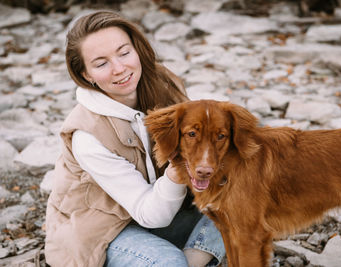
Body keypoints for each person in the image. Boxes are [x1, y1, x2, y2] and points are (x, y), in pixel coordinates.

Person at [44, 10, 225, 267]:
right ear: (86, 74)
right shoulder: (87, 134)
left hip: (163, 209)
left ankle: (192, 260)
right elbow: (150, 214)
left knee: (249, 193)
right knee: (167, 262)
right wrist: (176, 173)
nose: (119, 69)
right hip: (104, 233)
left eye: (124, 52)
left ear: (137, 49)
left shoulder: (164, 82)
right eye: (101, 63)